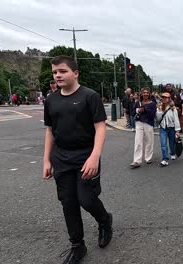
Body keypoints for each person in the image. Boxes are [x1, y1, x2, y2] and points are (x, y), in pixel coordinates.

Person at [43, 55, 113, 264]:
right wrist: (46, 160)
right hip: (61, 159)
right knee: (68, 203)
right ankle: (77, 245)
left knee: (87, 199)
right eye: (55, 72)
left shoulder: (89, 96)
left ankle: (104, 220)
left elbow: (100, 127)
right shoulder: (51, 100)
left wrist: (95, 155)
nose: (58, 75)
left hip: (86, 156)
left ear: (75, 73)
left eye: (62, 71)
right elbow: (50, 131)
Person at [130, 87, 157, 168]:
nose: (145, 94)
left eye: (147, 92)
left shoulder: (152, 103)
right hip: (139, 123)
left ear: (149, 94)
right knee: (138, 141)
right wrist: (138, 110)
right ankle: (137, 161)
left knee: (149, 141)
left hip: (148, 123)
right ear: (141, 94)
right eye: (144, 92)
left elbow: (152, 116)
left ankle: (148, 158)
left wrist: (145, 109)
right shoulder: (138, 102)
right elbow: (133, 112)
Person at [156, 92, 181, 167]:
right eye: (163, 97)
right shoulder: (159, 107)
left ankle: (173, 153)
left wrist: (177, 131)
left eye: (166, 97)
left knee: (172, 143)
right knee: (163, 144)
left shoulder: (173, 108)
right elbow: (158, 119)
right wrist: (159, 110)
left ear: (169, 99)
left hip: (172, 128)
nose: (164, 99)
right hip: (163, 128)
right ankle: (165, 159)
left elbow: (176, 119)